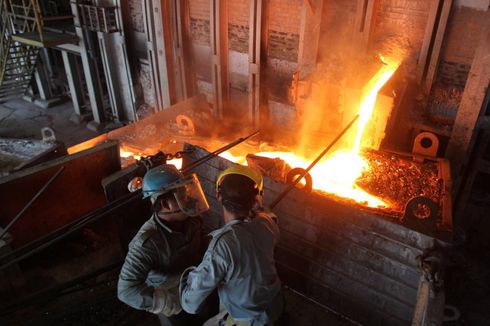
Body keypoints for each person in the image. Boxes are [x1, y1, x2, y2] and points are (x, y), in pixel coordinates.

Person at [179, 165, 283, 325]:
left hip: (248, 317)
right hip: (273, 304)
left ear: (219, 195)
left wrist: (188, 275)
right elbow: (265, 216)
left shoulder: (222, 245)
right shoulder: (267, 222)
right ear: (256, 200)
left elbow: (190, 304)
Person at [117, 164, 217, 326]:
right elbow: (126, 290)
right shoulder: (147, 243)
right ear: (165, 204)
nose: (190, 199)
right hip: (173, 297)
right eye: (183, 196)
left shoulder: (191, 219)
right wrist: (164, 302)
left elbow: (200, 244)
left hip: (197, 285)